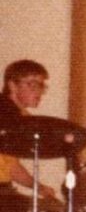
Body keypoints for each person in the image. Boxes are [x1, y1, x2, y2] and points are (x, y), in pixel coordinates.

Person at [0, 60, 57, 200]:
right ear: (12, 85)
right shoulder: (6, 113)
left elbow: (10, 167)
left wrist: (40, 188)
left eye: (41, 85)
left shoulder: (23, 118)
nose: (39, 91)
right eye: (32, 85)